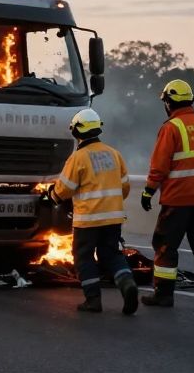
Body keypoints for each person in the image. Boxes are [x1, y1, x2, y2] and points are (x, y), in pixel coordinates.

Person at [139, 79, 194, 308]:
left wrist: (148, 192)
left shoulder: (171, 128)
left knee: (165, 245)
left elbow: (159, 166)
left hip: (177, 200)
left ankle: (163, 295)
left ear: (169, 102)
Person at [48, 108, 138, 314]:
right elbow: (125, 187)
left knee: (84, 257)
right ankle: (127, 284)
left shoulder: (78, 158)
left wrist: (51, 195)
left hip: (88, 220)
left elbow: (64, 189)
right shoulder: (115, 154)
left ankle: (93, 300)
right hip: (114, 217)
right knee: (112, 255)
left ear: (76, 132)